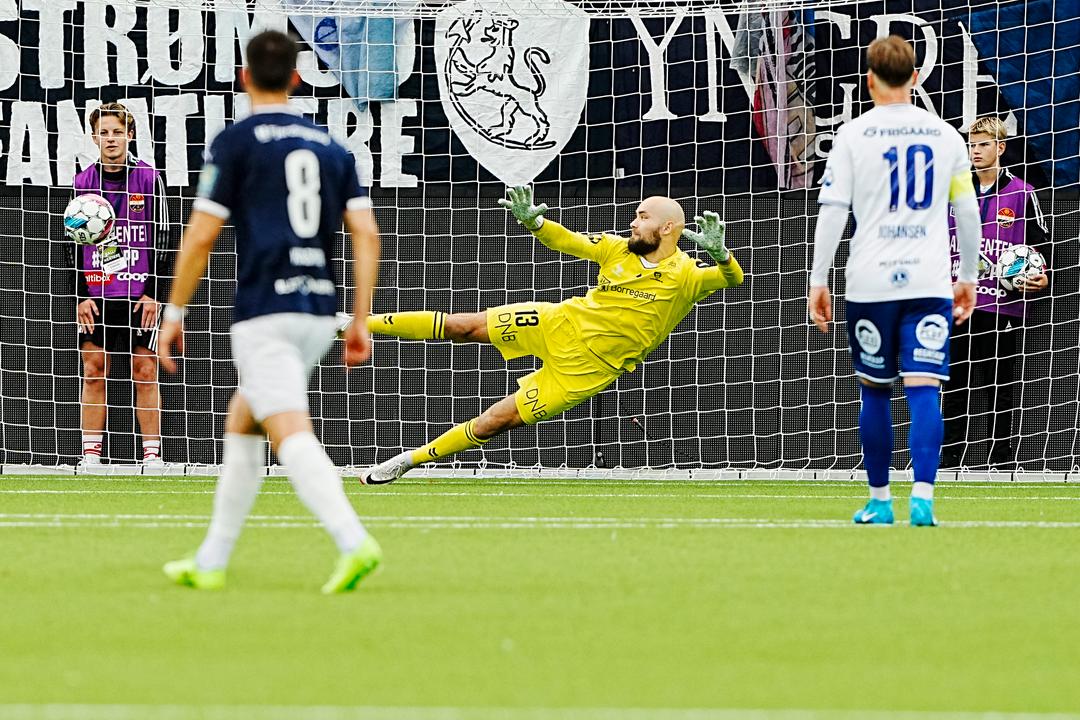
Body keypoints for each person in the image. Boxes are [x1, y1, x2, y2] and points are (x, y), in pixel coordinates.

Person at [157, 31, 382, 593]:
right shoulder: (332, 146)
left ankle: (354, 541)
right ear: (298, 78)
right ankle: (211, 561)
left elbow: (202, 235)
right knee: (245, 420)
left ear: (245, 76)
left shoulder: (236, 142)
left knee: (288, 430)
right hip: (316, 312)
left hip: (265, 309)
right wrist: (359, 317)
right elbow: (365, 232)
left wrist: (174, 312)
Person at [352, 187, 743, 484]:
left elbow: (733, 278)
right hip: (558, 322)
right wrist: (535, 222)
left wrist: (723, 254)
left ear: (667, 227)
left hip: (587, 371)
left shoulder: (687, 275)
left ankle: (409, 460)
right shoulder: (615, 249)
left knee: (493, 422)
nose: (633, 222)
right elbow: (566, 239)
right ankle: (354, 322)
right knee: (462, 326)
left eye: (641, 217)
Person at [807, 35, 982, 527]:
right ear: (916, 77)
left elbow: (833, 212)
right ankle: (923, 495)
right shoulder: (945, 135)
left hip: (871, 283)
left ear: (868, 79)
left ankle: (880, 500)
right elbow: (966, 211)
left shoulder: (853, 135)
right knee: (925, 386)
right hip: (928, 281)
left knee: (875, 389)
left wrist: (819, 278)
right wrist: (965, 275)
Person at [941, 116, 1051, 469]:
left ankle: (1001, 460)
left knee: (999, 385)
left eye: (983, 144)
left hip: (1003, 305)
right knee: (955, 382)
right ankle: (949, 457)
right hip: (959, 302)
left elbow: (1041, 247)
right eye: (971, 144)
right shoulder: (953, 190)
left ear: (1000, 147)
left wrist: (1043, 277)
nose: (976, 151)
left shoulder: (1023, 193)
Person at [70, 102, 171, 467]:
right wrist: (80, 296)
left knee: (144, 370)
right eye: (104, 132)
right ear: (93, 136)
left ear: (130, 135)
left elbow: (163, 237)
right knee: (94, 368)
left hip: (138, 294)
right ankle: (91, 458)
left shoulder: (149, 178)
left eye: (118, 132)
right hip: (97, 294)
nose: (110, 139)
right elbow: (72, 243)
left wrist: (153, 294)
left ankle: (153, 458)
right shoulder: (83, 182)